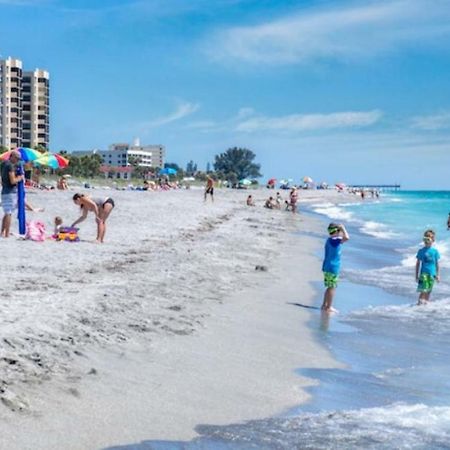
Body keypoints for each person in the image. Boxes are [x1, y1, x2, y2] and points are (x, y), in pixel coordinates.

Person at [321, 223, 350, 313]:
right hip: (332, 266)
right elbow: (347, 238)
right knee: (332, 287)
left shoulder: (329, 240)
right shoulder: (335, 240)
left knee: (329, 287)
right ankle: (328, 306)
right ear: (337, 231)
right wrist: (343, 228)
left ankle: (324, 304)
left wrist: (340, 230)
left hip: (327, 266)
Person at [1, 150, 24, 237]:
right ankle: (6, 234)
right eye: (17, 158)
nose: (18, 160)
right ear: (12, 157)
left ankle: (2, 232)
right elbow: (13, 181)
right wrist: (20, 178)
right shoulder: (10, 166)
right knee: (9, 213)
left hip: (4, 191)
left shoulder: (3, 164)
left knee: (6, 212)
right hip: (10, 192)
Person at [416, 229, 440, 305]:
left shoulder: (435, 251)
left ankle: (425, 305)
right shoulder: (421, 251)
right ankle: (419, 305)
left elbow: (437, 264)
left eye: (429, 239)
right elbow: (417, 264)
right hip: (424, 274)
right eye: (425, 239)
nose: (427, 241)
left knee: (429, 290)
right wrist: (416, 276)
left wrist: (438, 275)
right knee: (423, 290)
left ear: (433, 240)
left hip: (432, 274)